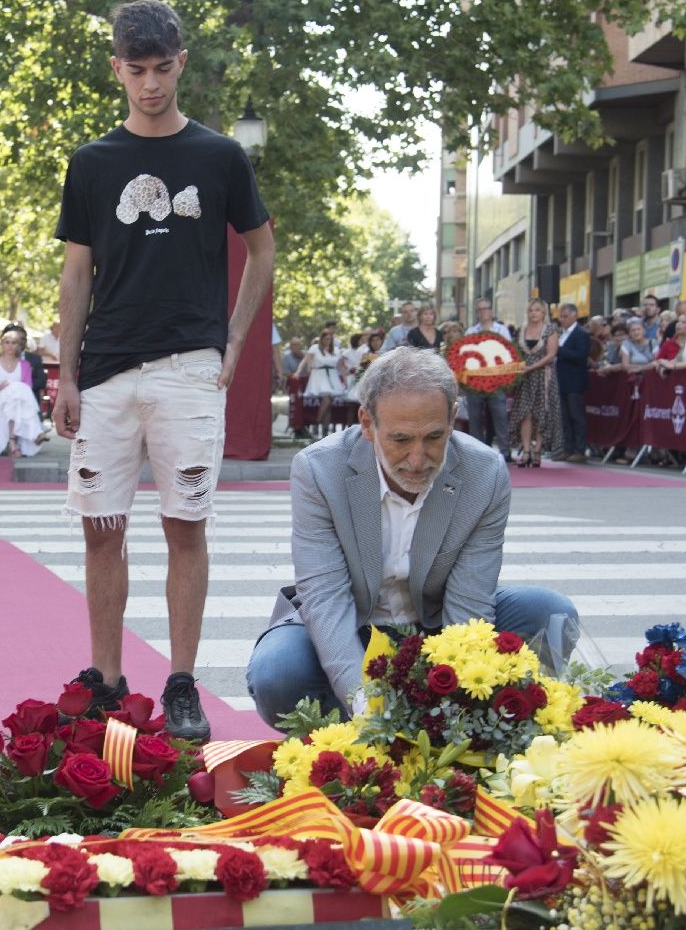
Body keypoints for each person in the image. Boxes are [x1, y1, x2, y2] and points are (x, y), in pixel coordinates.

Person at [52, 0, 275, 740]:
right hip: (109, 367)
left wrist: (235, 340)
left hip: (189, 367)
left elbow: (263, 248)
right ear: (117, 68)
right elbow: (76, 272)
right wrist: (67, 369)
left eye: (162, 68)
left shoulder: (218, 156)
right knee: (100, 529)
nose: (151, 83)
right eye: (136, 70)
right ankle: (108, 680)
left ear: (181, 62)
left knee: (186, 524)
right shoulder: (91, 162)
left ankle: (182, 680)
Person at [245, 347, 580, 726]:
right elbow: (325, 598)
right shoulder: (319, 470)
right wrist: (366, 709)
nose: (418, 459)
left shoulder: (484, 473)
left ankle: (506, 723)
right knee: (278, 674)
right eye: (401, 440)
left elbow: (469, 607)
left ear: (453, 418)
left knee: (551, 612)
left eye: (434, 437)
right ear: (367, 424)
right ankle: (344, 729)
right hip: (350, 619)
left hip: (433, 619)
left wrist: (453, 709)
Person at [506, 298, 559, 468]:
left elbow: (551, 355)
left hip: (544, 376)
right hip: (525, 378)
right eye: (531, 310)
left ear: (543, 312)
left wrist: (532, 367)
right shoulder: (521, 330)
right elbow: (514, 351)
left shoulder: (550, 330)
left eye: (537, 310)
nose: (534, 313)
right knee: (525, 414)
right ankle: (526, 450)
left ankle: (538, 451)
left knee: (541, 413)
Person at [460, 298, 513, 461]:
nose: (483, 312)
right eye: (480, 309)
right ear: (477, 313)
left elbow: (508, 354)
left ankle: (505, 450)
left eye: (486, 309)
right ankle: (478, 452)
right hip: (475, 380)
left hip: (496, 380)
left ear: (491, 311)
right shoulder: (470, 332)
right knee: (475, 417)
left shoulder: (502, 330)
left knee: (500, 415)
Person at [0, 325, 46, 457]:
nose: (10, 346)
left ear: (19, 345)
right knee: (17, 389)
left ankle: (12, 444)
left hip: (17, 401)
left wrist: (11, 386)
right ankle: (36, 432)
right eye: (7, 342)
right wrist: (2, 387)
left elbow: (27, 387)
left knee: (16, 395)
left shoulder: (25, 365)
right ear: (2, 344)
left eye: (14, 343)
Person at [554, 302, 591, 462]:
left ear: (575, 316)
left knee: (576, 416)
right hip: (562, 380)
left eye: (566, 316)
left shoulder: (581, 333)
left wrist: (559, 350)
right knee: (564, 417)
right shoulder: (561, 334)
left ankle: (580, 449)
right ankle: (568, 448)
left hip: (574, 381)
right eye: (561, 316)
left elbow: (581, 355)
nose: (562, 319)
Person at [299, 322, 348, 433]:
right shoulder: (315, 348)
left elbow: (341, 367)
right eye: (326, 338)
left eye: (330, 339)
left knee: (329, 402)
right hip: (319, 376)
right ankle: (317, 423)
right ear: (321, 339)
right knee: (326, 399)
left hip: (332, 376)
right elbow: (305, 360)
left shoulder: (335, 350)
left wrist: (345, 381)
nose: (328, 341)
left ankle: (325, 428)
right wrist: (299, 371)